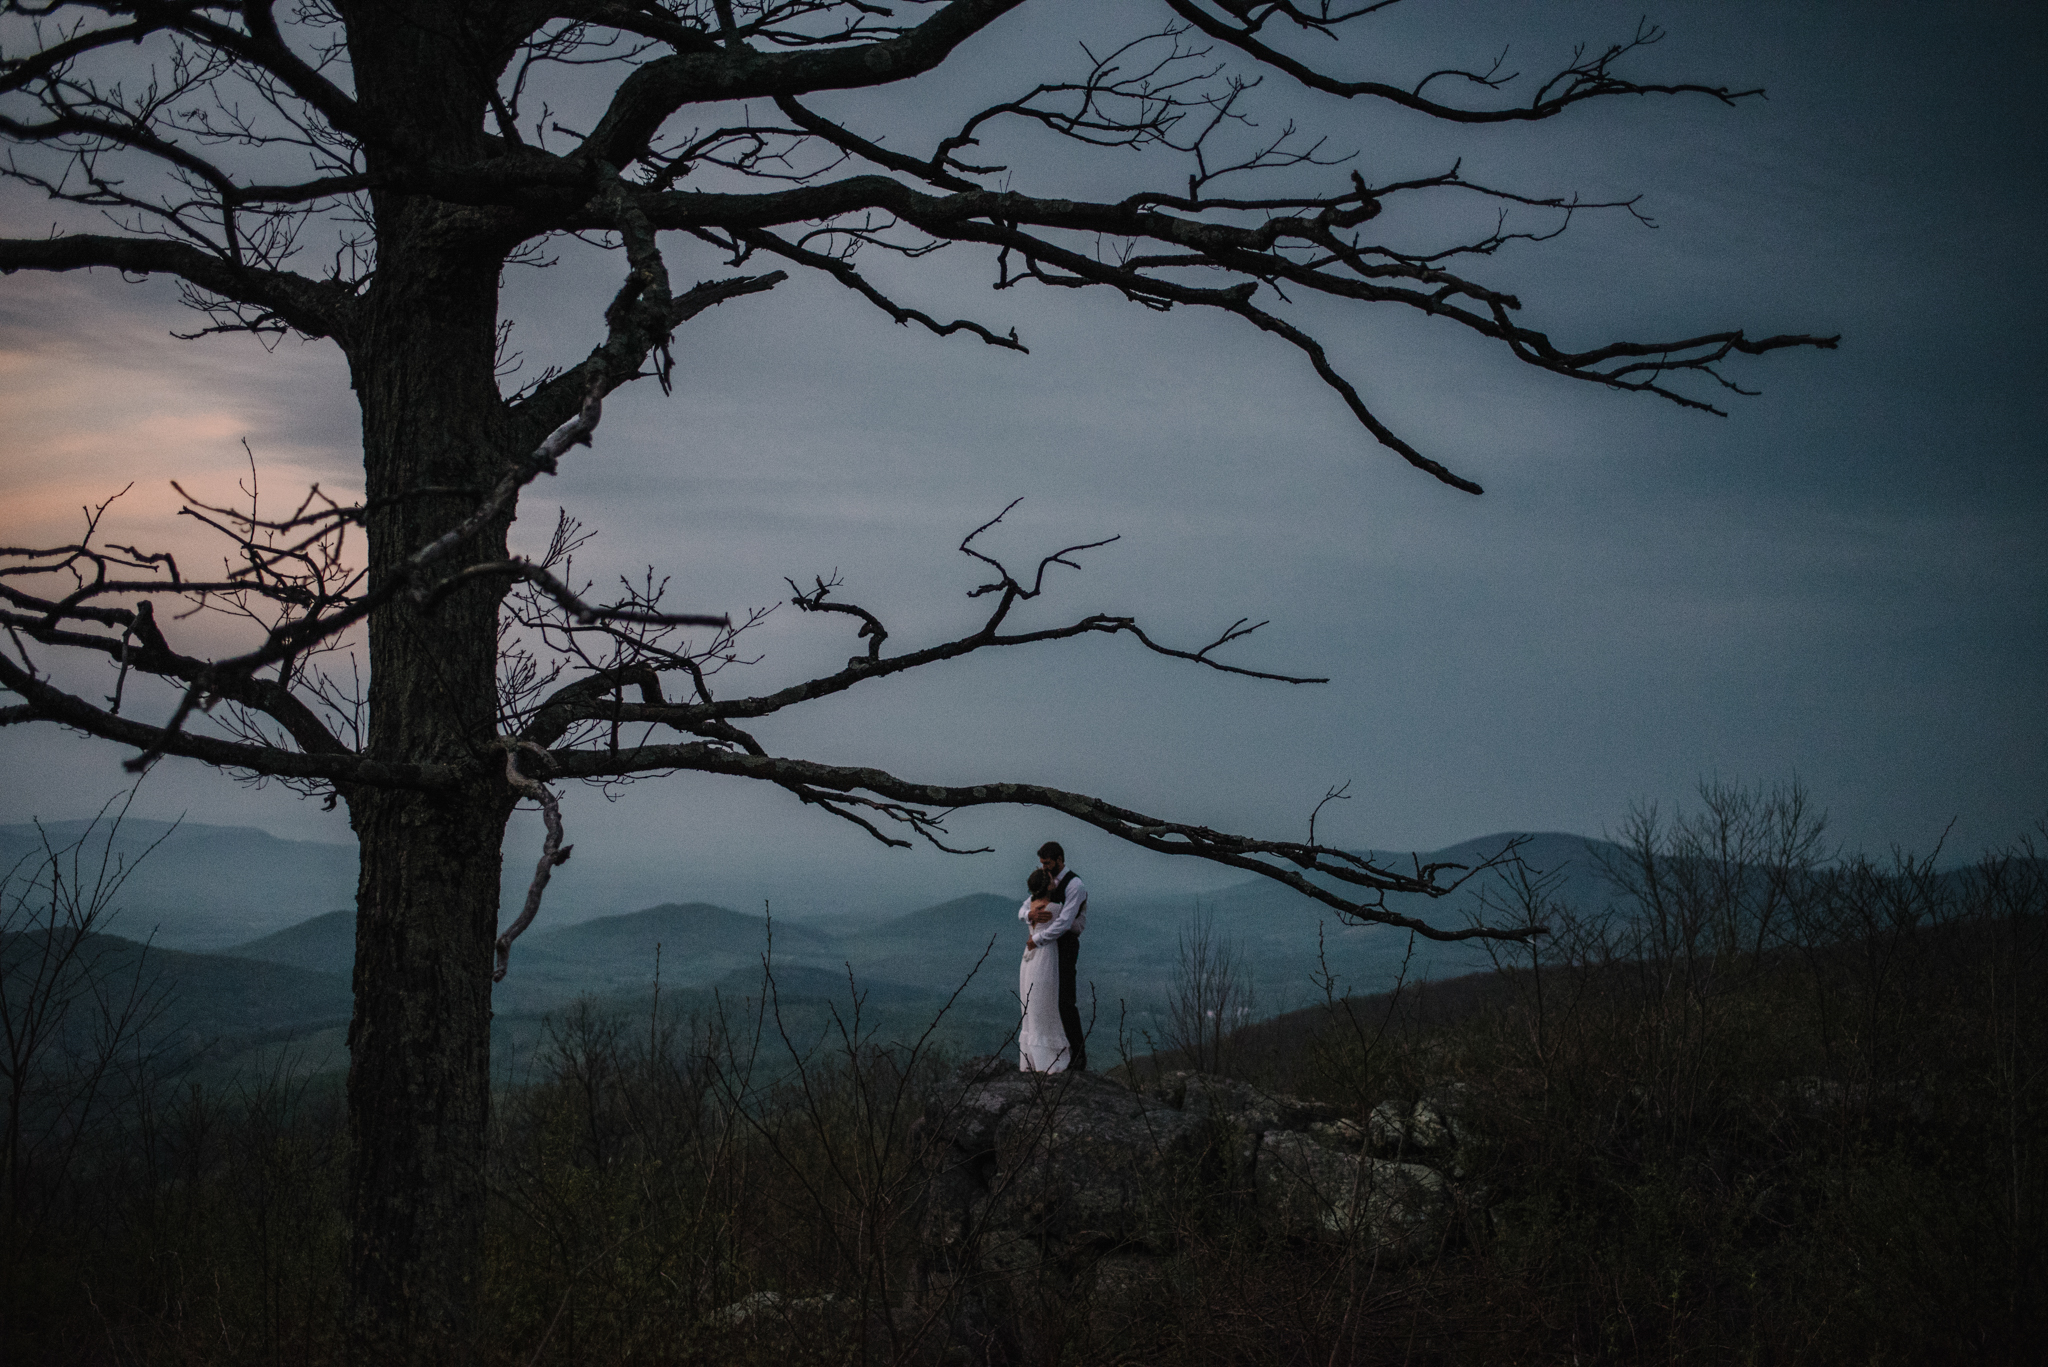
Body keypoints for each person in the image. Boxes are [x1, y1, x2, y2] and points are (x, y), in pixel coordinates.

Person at [1027, 841, 1088, 1072]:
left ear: (1059, 859)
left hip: (1065, 945)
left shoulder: (1075, 885)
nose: (1044, 867)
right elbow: (1025, 907)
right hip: (1047, 949)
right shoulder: (1045, 881)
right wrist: (1029, 915)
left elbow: (1064, 923)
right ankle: (1055, 1052)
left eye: (1047, 863)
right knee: (1047, 1000)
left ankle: (1078, 1054)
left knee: (1065, 1000)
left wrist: (1037, 939)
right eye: (1042, 863)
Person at [1016, 869, 1067, 1072]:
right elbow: (1068, 921)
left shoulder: (1030, 905)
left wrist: (1029, 915)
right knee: (1044, 1003)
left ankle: (1031, 1059)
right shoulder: (1055, 909)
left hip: (1028, 956)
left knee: (1030, 1005)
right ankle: (1049, 1061)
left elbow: (1021, 911)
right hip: (1044, 954)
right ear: (1047, 886)